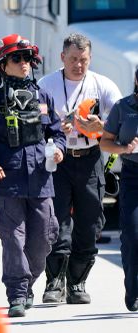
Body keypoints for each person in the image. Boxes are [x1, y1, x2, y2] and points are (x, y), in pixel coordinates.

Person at [38, 33, 122, 305]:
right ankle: (54, 281)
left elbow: (123, 121)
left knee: (90, 222)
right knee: (56, 221)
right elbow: (33, 124)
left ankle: (77, 281)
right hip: (58, 160)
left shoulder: (102, 85)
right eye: (73, 59)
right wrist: (53, 128)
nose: (78, 65)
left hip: (90, 158)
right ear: (62, 57)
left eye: (83, 60)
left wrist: (103, 127)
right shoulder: (46, 85)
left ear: (90, 59)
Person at [0, 33, 64, 317]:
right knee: (13, 239)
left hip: (42, 180)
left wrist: (60, 150)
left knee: (44, 237)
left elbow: (55, 131)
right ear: (3, 65)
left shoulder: (44, 96)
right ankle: (17, 294)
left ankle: (28, 282)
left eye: (27, 59)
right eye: (16, 59)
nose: (24, 64)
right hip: (9, 181)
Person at [99, 69, 138, 312]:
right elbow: (104, 142)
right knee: (132, 235)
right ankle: (133, 290)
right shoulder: (123, 107)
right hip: (133, 174)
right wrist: (124, 149)